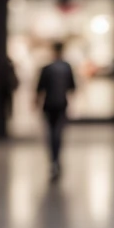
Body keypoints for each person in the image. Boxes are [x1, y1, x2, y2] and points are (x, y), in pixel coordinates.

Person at [35, 41, 75, 181]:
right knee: (58, 132)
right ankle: (56, 159)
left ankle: (53, 160)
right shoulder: (67, 68)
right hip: (61, 104)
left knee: (51, 132)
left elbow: (39, 88)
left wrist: (35, 102)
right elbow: (72, 87)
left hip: (49, 104)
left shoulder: (47, 68)